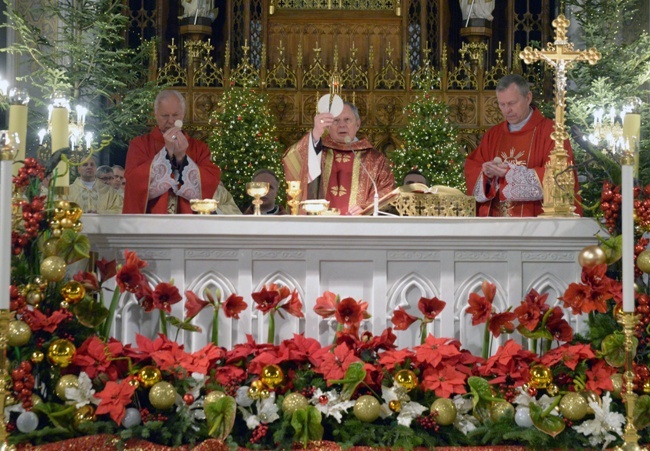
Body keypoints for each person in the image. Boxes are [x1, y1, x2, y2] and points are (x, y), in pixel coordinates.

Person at [464, 74, 581, 217]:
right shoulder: (493, 135)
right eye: (502, 104)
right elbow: (472, 168)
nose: (507, 110)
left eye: (512, 103)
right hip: (496, 224)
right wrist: (487, 175)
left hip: (536, 223)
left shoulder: (552, 133)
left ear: (528, 98)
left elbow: (560, 178)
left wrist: (510, 173)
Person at [283, 101, 395, 215]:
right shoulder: (317, 150)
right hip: (319, 225)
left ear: (357, 124)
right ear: (328, 126)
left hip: (358, 226)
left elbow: (385, 191)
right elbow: (292, 159)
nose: (342, 125)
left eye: (347, 120)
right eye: (336, 121)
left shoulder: (374, 159)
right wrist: (316, 133)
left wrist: (366, 209)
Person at [122, 90, 220, 214]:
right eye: (165, 116)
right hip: (152, 221)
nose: (170, 121)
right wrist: (166, 153)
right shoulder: (140, 145)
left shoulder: (199, 148)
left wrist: (182, 158)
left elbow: (208, 186)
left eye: (175, 115)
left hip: (189, 222)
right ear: (156, 114)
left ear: (183, 114)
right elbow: (135, 184)